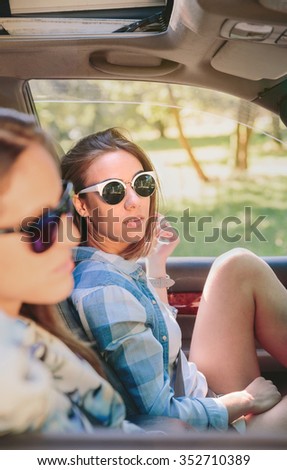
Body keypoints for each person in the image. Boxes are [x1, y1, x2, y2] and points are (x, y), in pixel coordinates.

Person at [61, 127, 287, 433]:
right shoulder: (105, 292)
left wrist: (156, 264)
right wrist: (244, 400)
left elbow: (157, 339)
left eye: (142, 184)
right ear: (82, 205)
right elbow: (160, 413)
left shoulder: (108, 268)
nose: (134, 201)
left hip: (198, 390)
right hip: (209, 433)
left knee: (237, 266)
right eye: (113, 191)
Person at [0, 109, 143, 436]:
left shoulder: (24, 331)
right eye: (42, 226)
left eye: (62, 206)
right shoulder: (12, 392)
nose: (72, 235)